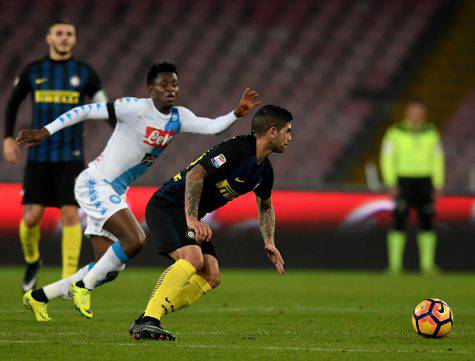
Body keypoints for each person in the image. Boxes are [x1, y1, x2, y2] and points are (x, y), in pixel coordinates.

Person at [17, 62, 260, 322]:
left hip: (115, 191)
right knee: (134, 239)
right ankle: (82, 287)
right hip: (95, 183)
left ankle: (39, 297)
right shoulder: (132, 108)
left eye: (174, 84)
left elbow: (212, 127)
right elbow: (85, 111)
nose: (171, 89)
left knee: (106, 269)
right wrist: (46, 131)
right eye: (164, 84)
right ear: (151, 88)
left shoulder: (178, 117)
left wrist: (236, 113)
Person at [129, 104, 292, 341]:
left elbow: (265, 205)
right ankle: (150, 320)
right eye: (288, 130)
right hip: (168, 205)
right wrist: (192, 218)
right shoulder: (237, 149)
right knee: (192, 259)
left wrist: (269, 241)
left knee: (211, 275)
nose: (291, 137)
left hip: (186, 213)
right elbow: (196, 173)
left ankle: (147, 317)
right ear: (272, 132)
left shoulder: (264, 171)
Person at [3, 19, 108, 292]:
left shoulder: (85, 73)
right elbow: (13, 103)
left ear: (74, 40)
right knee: (31, 218)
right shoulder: (33, 71)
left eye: (69, 34)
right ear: (49, 38)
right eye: (59, 33)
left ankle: (67, 279)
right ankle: (32, 260)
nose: (64, 38)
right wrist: (7, 138)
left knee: (70, 216)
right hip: (38, 156)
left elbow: (104, 106)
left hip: (71, 156)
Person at [380, 100, 445, 274]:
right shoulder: (395, 132)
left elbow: (437, 158)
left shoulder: (431, 132)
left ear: (424, 113)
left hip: (425, 180)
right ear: (406, 113)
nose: (415, 114)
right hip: (404, 180)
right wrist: (390, 182)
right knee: (399, 219)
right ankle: (395, 266)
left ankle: (427, 265)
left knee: (427, 220)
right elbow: (387, 158)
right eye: (412, 111)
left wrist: (438, 183)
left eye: (419, 111)